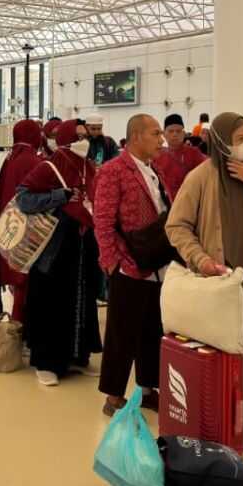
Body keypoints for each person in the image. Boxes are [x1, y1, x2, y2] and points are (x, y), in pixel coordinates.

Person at [166, 113, 243, 451]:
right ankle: (224, 429)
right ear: (221, 142)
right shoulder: (201, 177)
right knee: (226, 360)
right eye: (239, 138)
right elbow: (176, 226)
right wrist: (201, 260)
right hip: (220, 288)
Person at [15, 119, 103, 386]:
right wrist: (59, 196)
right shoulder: (49, 167)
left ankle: (77, 356)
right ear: (65, 138)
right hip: (54, 249)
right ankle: (47, 361)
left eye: (85, 136)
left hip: (82, 247)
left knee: (80, 301)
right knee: (51, 303)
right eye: (78, 136)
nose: (84, 141)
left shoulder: (89, 167)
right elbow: (23, 198)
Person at [94, 114, 170, 417]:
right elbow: (102, 220)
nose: (161, 140)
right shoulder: (113, 170)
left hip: (154, 262)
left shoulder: (154, 170)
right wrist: (112, 262)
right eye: (156, 133)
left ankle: (148, 389)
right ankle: (113, 396)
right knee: (122, 333)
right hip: (128, 264)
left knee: (152, 330)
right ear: (136, 136)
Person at [0, 119, 46, 324]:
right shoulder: (35, 161)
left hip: (9, 225)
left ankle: (16, 321)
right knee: (27, 279)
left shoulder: (10, 159)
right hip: (30, 226)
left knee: (16, 278)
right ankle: (21, 325)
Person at [153, 112, 207, 201]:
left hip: (190, 200)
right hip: (166, 202)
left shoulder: (194, 153)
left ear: (183, 133)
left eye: (178, 131)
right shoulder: (157, 155)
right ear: (164, 134)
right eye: (171, 131)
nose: (175, 134)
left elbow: (207, 171)